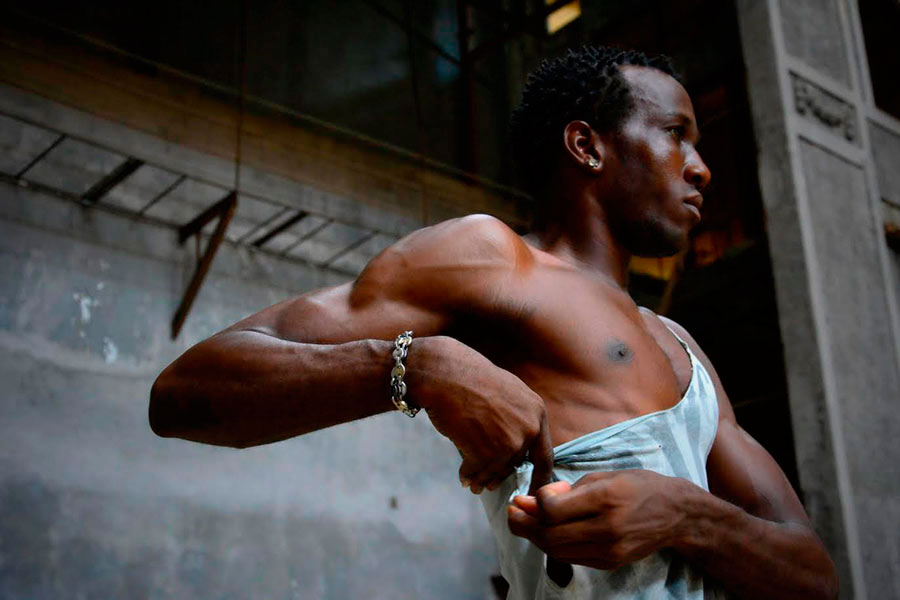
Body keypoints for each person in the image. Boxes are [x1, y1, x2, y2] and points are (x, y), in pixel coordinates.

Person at [149, 46, 838, 599]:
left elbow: (813, 575)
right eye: (676, 135)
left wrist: (686, 517)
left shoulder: (683, 348)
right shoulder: (496, 259)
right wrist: (420, 366)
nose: (703, 170)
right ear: (587, 146)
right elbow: (184, 394)